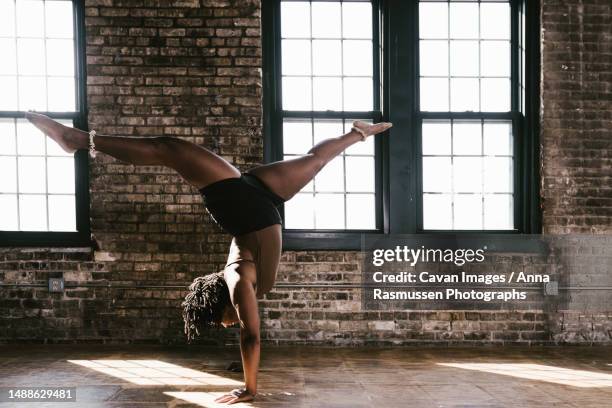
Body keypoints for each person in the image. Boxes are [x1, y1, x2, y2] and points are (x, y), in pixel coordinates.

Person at [25, 112, 392, 404]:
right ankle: (355, 135)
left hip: (256, 208)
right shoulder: (240, 275)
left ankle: (357, 134)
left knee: (175, 150)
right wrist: (249, 383)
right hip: (254, 207)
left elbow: (248, 336)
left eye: (220, 322)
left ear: (221, 304)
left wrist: (248, 383)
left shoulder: (236, 276)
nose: (226, 324)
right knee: (308, 159)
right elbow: (251, 337)